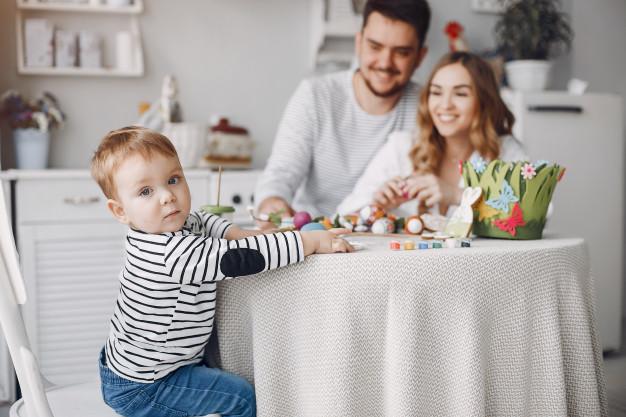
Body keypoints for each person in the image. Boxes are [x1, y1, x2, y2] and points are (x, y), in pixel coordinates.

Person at [91, 126, 353, 417]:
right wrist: (307, 242)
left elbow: (204, 220)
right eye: (145, 191)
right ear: (120, 211)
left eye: (173, 179)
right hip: (146, 385)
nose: (167, 196)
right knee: (239, 398)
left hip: (141, 365)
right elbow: (239, 259)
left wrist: (243, 233)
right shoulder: (169, 255)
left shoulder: (174, 226)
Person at [254, 0, 431, 222]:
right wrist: (272, 202)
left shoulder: (430, 107)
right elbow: (280, 174)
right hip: (314, 236)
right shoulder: (315, 95)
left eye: (401, 52)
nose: (385, 63)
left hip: (387, 242)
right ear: (359, 43)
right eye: (375, 47)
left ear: (420, 57)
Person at [337, 51, 527, 217]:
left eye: (460, 94)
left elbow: (531, 217)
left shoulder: (505, 152)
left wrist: (457, 195)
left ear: (484, 102)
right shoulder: (402, 147)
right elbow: (343, 214)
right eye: (436, 93)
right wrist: (378, 205)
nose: (445, 105)